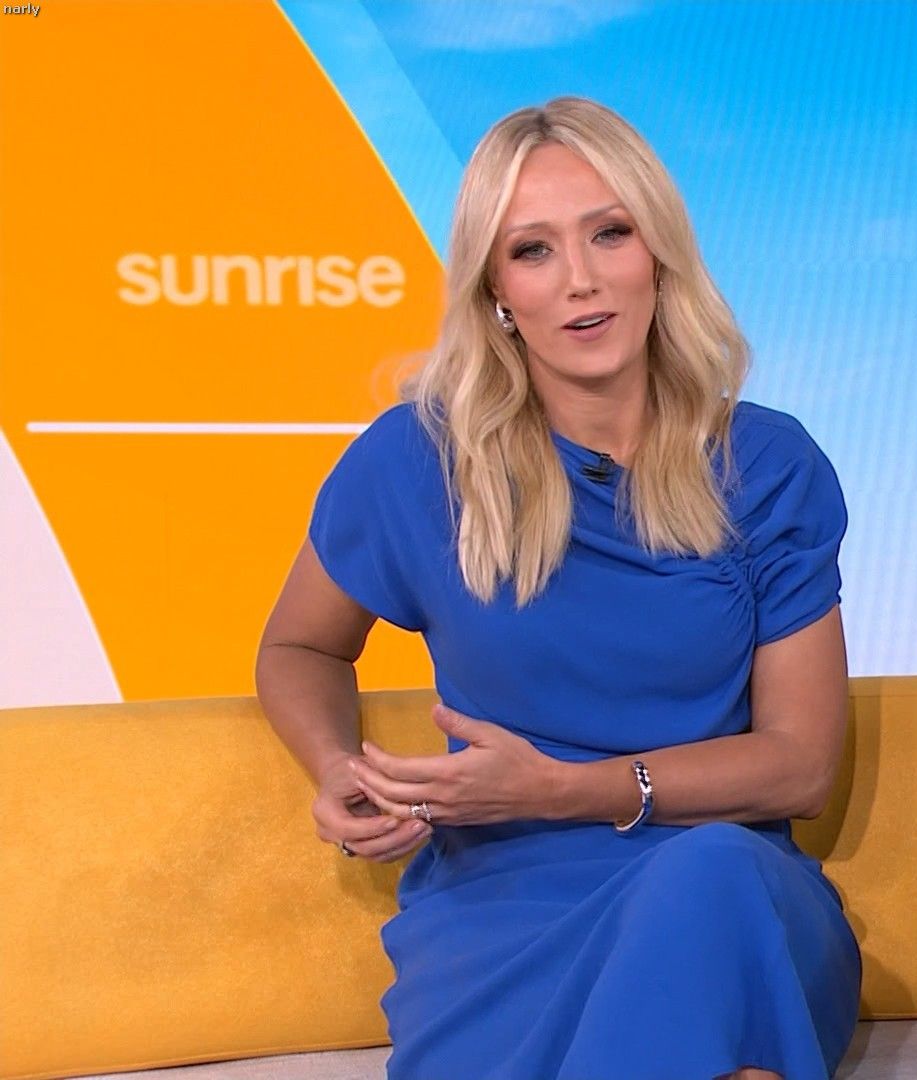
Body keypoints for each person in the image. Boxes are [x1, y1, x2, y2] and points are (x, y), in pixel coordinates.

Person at [256, 96, 859, 1080]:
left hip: (725, 884)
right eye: (532, 250)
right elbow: (300, 646)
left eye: (610, 233)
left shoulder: (766, 465)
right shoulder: (417, 462)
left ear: (658, 253)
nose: (581, 279)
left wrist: (566, 788)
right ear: (496, 290)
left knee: (710, 881)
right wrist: (335, 767)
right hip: (500, 906)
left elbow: (800, 767)